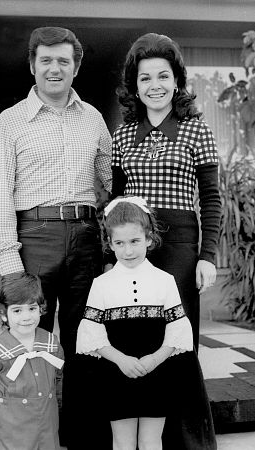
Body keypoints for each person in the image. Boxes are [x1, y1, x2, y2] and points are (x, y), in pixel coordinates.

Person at [0, 26, 112, 359]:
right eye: (45, 60)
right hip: (34, 239)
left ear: (76, 67)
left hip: (85, 238)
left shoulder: (94, 119)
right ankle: (33, 410)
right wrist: (9, 263)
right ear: (32, 65)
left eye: (63, 61)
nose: (54, 69)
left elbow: (112, 183)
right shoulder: (9, 121)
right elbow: (0, 193)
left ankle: (79, 411)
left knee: (86, 338)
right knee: (30, 340)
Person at [75, 197, 217, 450]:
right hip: (117, 372)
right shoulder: (102, 284)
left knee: (151, 441)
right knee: (122, 442)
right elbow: (91, 333)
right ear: (109, 243)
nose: (128, 251)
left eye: (134, 241)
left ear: (149, 239)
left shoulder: (164, 280)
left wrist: (154, 359)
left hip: (157, 371)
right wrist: (121, 360)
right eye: (119, 243)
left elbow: (178, 330)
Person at [111, 33, 221, 350]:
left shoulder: (197, 130)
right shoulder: (123, 133)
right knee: (136, 336)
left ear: (176, 82)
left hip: (180, 245)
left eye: (163, 76)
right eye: (145, 78)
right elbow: (116, 200)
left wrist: (208, 257)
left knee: (178, 339)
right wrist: (111, 254)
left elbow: (211, 199)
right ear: (135, 86)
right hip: (133, 244)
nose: (154, 85)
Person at [0, 272, 64, 450]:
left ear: (41, 309)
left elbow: (58, 375)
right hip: (15, 426)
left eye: (32, 308)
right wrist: (7, 400)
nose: (26, 316)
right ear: (3, 314)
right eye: (17, 310)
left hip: (48, 423)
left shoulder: (51, 342)